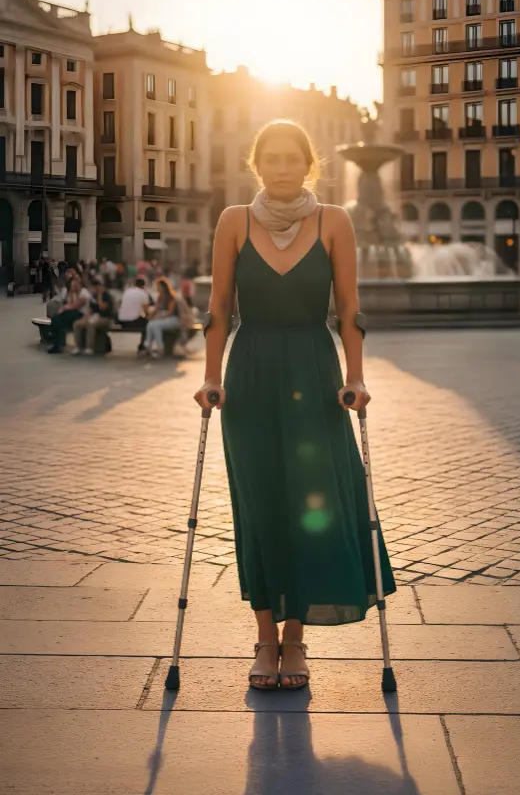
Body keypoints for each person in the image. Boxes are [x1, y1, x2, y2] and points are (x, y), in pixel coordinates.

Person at [193, 119, 396, 691]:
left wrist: (355, 378)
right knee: (259, 505)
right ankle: (264, 639)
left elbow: (350, 305)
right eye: (272, 158)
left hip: (314, 367)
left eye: (293, 158)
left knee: (312, 504)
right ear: (256, 163)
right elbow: (219, 305)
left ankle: (296, 641)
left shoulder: (335, 221)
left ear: (309, 164)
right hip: (251, 374)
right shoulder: (235, 221)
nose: (283, 167)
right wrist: (211, 376)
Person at [72, 276, 115, 355]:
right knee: (77, 324)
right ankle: (78, 347)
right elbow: (90, 309)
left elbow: (102, 307)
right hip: (94, 317)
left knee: (91, 324)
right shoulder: (92, 296)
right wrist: (84, 318)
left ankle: (89, 347)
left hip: (105, 318)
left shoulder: (106, 296)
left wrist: (100, 295)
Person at [48, 277, 91, 354]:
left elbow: (76, 305)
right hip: (73, 313)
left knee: (59, 321)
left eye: (76, 284)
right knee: (55, 320)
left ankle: (58, 344)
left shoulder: (84, 292)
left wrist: (64, 308)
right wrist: (71, 293)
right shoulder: (73, 293)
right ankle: (57, 344)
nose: (74, 286)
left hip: (82, 314)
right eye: (73, 285)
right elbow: (70, 304)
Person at [143, 276, 180, 357]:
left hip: (173, 319)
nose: (157, 288)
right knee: (150, 324)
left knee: (156, 325)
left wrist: (158, 318)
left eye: (158, 286)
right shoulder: (159, 297)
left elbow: (170, 312)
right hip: (162, 318)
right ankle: (147, 346)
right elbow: (156, 309)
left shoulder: (171, 297)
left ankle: (160, 347)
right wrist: (150, 316)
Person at [118, 276, 152, 354]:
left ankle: (143, 346)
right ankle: (142, 345)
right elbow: (147, 312)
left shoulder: (127, 291)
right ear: (144, 286)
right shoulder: (143, 293)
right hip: (132, 322)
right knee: (149, 324)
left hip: (121, 321)